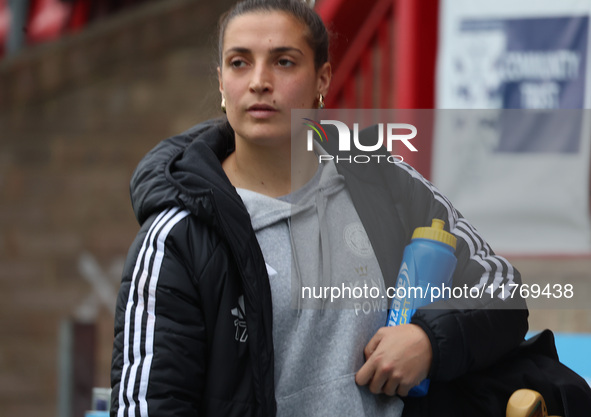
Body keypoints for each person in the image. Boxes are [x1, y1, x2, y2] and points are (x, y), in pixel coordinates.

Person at [111, 0, 587, 416]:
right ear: (221, 83)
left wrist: (429, 341)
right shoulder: (178, 236)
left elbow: (500, 289)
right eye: (239, 63)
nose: (259, 81)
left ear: (322, 78)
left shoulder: (383, 181)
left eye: (283, 61)